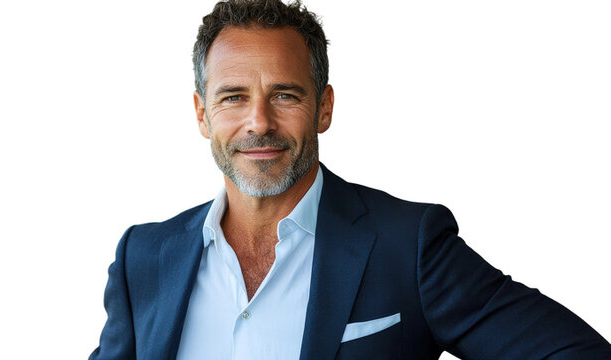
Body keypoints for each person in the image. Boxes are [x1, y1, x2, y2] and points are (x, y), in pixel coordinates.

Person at [90, 0, 611, 359]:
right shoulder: (143, 258)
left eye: (286, 95)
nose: (259, 122)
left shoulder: (408, 246)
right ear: (202, 115)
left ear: (324, 108)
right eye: (233, 98)